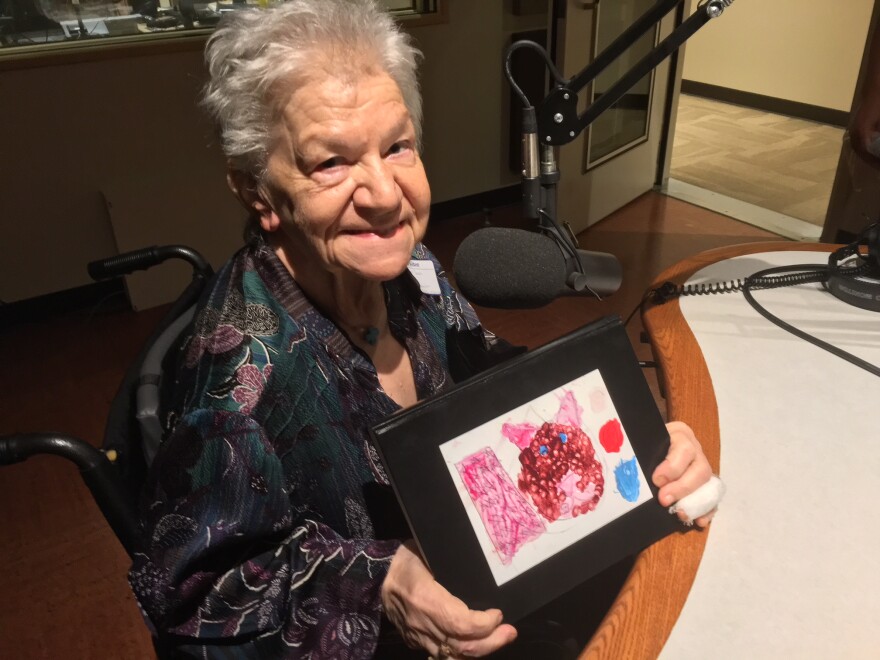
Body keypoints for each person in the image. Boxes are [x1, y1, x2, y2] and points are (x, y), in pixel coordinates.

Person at [129, 1, 717, 658]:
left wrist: (631, 430)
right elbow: (190, 603)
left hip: (497, 572)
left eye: (398, 146)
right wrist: (377, 582)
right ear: (258, 191)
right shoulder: (236, 379)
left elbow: (486, 371)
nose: (385, 195)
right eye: (332, 163)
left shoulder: (415, 269)